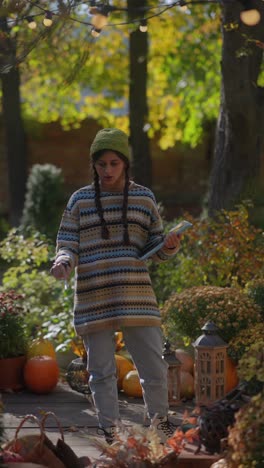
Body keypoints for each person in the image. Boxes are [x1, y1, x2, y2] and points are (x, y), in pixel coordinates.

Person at [51, 128, 181, 444]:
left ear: (125, 164)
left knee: (154, 367)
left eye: (114, 164)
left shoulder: (144, 198)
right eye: (101, 165)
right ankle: (111, 432)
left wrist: (170, 244)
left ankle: (161, 426)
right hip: (95, 295)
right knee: (101, 372)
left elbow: (156, 248)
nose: (107, 171)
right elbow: (67, 243)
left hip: (136, 294)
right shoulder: (80, 200)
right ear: (93, 165)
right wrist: (64, 262)